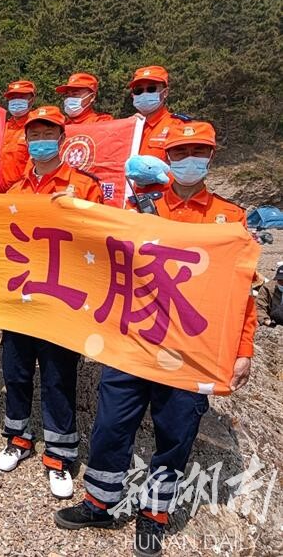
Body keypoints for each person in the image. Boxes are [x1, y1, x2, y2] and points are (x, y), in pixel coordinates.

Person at [55, 121, 257, 557]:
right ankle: (99, 502)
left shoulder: (230, 218)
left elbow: (241, 293)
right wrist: (67, 211)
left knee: (175, 433)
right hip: (134, 339)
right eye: (180, 152)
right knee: (111, 424)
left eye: (197, 151)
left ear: (211, 155)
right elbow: (100, 251)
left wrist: (243, 349)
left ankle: (154, 513)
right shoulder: (139, 210)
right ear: (167, 159)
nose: (189, 160)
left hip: (191, 349)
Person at [0, 106, 104, 499]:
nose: (40, 141)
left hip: (62, 301)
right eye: (34, 135)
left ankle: (60, 455)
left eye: (48, 134)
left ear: (62, 138)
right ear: (26, 141)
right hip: (20, 297)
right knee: (16, 372)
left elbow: (106, 237)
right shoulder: (15, 191)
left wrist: (80, 211)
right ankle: (17, 438)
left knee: (58, 378)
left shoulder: (84, 186)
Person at [124, 66, 194, 193]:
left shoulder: (179, 126)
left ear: (165, 92)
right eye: (139, 90)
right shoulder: (127, 128)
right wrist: (127, 127)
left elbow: (189, 171)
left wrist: (157, 176)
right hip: (129, 200)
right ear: (133, 95)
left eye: (151, 89)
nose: (144, 93)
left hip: (164, 199)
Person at [0, 80, 36, 192]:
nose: (16, 101)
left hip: (22, 191)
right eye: (13, 97)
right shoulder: (1, 126)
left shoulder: (37, 127)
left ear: (32, 100)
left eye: (21, 97)